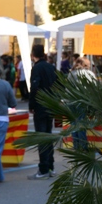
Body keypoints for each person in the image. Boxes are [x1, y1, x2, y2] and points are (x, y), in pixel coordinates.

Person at [29, 44, 58, 179]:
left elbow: (34, 87)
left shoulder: (37, 68)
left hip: (41, 106)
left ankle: (44, 168)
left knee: (42, 137)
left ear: (33, 54)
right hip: (51, 105)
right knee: (48, 135)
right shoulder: (51, 67)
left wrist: (32, 105)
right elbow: (60, 84)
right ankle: (50, 166)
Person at [67, 57, 97, 150]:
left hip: (70, 100)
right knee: (81, 122)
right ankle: (83, 146)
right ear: (86, 65)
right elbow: (94, 88)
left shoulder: (71, 74)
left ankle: (76, 145)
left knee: (74, 122)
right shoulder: (89, 73)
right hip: (82, 100)